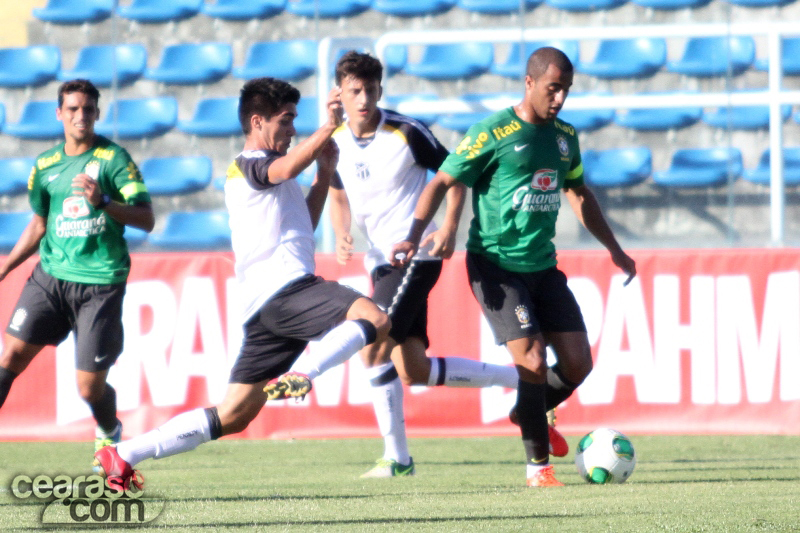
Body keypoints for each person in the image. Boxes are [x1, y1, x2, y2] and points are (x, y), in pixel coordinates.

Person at [94, 77, 391, 491]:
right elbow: (285, 167)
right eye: (286, 121)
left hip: (265, 308)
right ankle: (305, 372)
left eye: (294, 121)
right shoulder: (249, 162)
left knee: (233, 414)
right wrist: (328, 126)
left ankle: (124, 454)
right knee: (374, 317)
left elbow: (302, 226)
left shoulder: (272, 172)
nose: (291, 129)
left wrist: (324, 173)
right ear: (257, 121)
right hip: (287, 290)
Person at [392, 47, 636, 488]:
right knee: (533, 359)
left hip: (543, 267)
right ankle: (538, 469)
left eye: (566, 90)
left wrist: (615, 248)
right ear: (529, 83)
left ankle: (527, 409)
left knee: (579, 365)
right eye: (552, 88)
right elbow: (444, 180)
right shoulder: (493, 131)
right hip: (496, 268)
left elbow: (579, 193)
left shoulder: (565, 137)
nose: (559, 98)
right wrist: (416, 233)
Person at [301, 50, 524, 478]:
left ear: (380, 90)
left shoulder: (407, 132)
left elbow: (455, 175)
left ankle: (397, 459)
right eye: (354, 91)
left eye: (370, 89)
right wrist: (342, 229)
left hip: (415, 255)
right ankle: (517, 378)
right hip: (380, 260)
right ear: (339, 95)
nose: (363, 98)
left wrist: (449, 228)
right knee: (413, 368)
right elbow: (337, 188)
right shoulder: (337, 140)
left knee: (372, 343)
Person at [0, 79, 154, 464]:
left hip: (99, 284)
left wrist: (103, 201)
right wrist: (5, 267)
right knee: (11, 355)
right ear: (59, 114)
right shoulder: (46, 166)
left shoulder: (114, 160)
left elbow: (146, 219)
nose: (80, 116)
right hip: (50, 277)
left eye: (88, 109)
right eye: (72, 109)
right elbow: (39, 225)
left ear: (97, 113)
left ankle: (108, 429)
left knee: (87, 389)